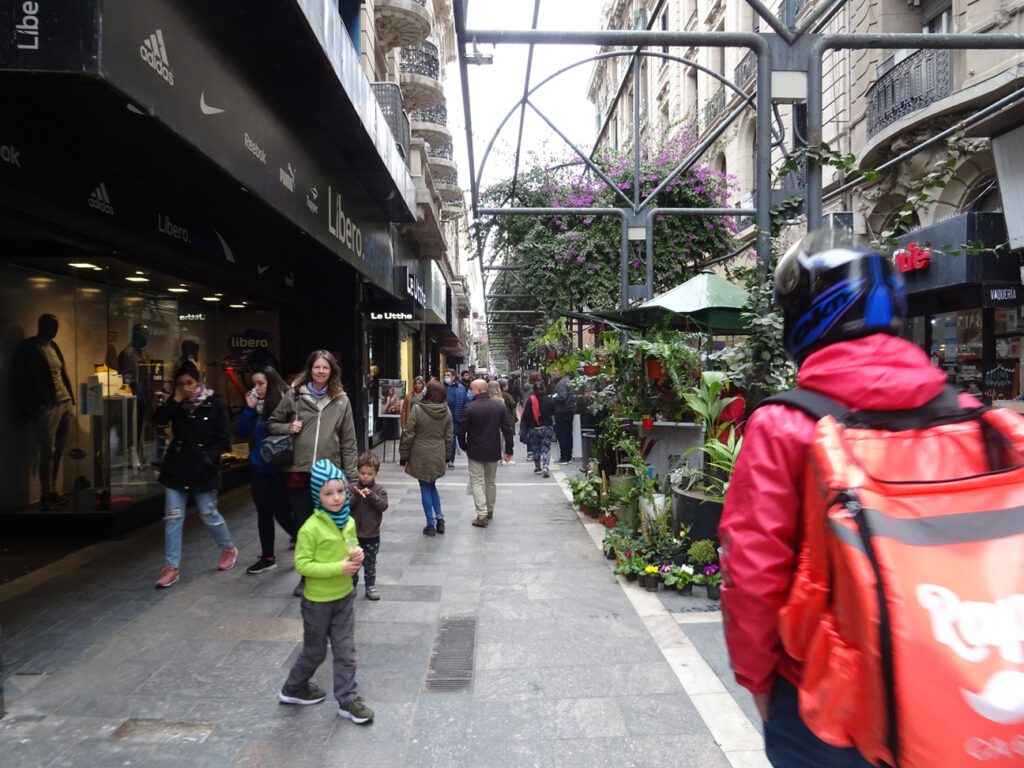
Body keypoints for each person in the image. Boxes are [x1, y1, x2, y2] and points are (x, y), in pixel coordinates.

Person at [720, 230, 942, 768]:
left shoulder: (785, 423)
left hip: (824, 695)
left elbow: (752, 570)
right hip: (943, 678)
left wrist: (757, 678)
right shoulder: (968, 416)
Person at [278, 459, 374, 725]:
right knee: (315, 651)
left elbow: (351, 545)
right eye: (328, 493)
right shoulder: (310, 528)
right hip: (317, 603)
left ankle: (347, 699)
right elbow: (303, 565)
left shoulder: (348, 522)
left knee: (346, 651)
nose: (336, 498)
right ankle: (294, 687)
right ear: (317, 496)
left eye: (340, 491)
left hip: (344, 599)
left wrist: (356, 554)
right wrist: (339, 568)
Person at [267, 350, 358, 597]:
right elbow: (272, 423)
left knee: (332, 525)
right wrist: (288, 426)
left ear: (332, 372)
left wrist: (351, 477)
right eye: (316, 367)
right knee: (304, 526)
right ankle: (306, 576)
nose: (320, 372)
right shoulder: (295, 395)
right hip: (300, 469)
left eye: (325, 368)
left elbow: (349, 440)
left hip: (329, 474)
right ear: (310, 369)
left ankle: (338, 570)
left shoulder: (341, 400)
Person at [151, 360, 238, 588]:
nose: (187, 388)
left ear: (198, 381)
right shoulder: (176, 404)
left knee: (208, 514)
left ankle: (228, 548)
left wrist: (209, 458)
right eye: (181, 384)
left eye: (190, 383)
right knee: (173, 517)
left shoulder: (214, 404)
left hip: (202, 469)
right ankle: (171, 567)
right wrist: (175, 400)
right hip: (177, 468)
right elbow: (157, 420)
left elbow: (223, 438)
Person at [234, 365, 294, 574]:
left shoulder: (285, 404)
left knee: (282, 512)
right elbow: (240, 431)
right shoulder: (255, 407)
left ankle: (303, 538)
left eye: (261, 383)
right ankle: (268, 556)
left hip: (280, 469)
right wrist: (249, 408)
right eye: (254, 384)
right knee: (263, 512)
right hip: (259, 468)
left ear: (271, 383)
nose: (257, 389)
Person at [13, 313, 75, 510]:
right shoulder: (29, 348)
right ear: (42, 326)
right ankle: (46, 493)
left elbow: (61, 373)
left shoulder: (53, 346)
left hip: (64, 400)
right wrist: (29, 407)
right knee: (48, 450)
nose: (54, 330)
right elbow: (21, 381)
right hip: (46, 404)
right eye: (51, 326)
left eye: (56, 326)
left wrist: (71, 398)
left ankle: (53, 490)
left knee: (59, 449)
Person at [400, 379, 453, 537]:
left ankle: (430, 523)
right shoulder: (446, 411)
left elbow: (408, 434)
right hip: (438, 452)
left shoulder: (418, 410)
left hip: (420, 452)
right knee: (432, 485)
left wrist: (404, 456)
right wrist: (447, 456)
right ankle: (440, 517)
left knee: (425, 486)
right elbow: (449, 437)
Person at [458, 378, 514, 528]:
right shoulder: (498, 407)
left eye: (471, 388)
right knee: (490, 481)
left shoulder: (469, 408)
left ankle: (481, 514)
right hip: (493, 449)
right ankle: (489, 509)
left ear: (478, 390)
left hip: (475, 449)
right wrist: (509, 449)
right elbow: (507, 429)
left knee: (477, 482)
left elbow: (461, 431)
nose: (469, 391)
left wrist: (464, 446)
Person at [348, 451, 388, 600]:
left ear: (375, 473)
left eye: (369, 474)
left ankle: (370, 586)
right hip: (352, 534)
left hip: (371, 534)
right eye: (362, 473)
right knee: (352, 561)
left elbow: (383, 506)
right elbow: (347, 507)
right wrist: (356, 496)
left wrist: (372, 495)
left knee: (370, 563)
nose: (365, 476)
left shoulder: (380, 490)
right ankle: (351, 585)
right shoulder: (353, 488)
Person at [118, 322, 152, 471]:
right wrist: (134, 390)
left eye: (147, 334)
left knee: (138, 429)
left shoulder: (142, 354)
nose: (145, 337)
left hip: (143, 397)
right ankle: (129, 458)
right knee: (131, 429)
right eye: (143, 333)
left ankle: (135, 456)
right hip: (132, 398)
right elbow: (127, 377)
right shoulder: (128, 353)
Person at [521, 380, 555, 477]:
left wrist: (525, 429)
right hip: (547, 428)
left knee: (536, 449)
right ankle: (545, 466)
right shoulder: (550, 400)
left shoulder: (530, 401)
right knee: (546, 448)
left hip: (534, 429)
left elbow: (526, 416)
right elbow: (553, 413)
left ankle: (537, 467)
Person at [443, 368, 468, 468]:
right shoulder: (441, 387)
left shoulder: (461, 388)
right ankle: (446, 458)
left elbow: (465, 402)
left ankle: (450, 459)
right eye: (445, 375)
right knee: (446, 439)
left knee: (453, 439)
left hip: (456, 418)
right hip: (443, 418)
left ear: (453, 377)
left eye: (448, 375)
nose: (446, 377)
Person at [550, 366, 575, 464]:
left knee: (562, 434)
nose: (553, 373)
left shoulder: (562, 383)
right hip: (568, 411)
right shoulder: (567, 381)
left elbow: (562, 397)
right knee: (568, 434)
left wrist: (552, 397)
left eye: (555, 370)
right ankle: (567, 456)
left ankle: (565, 457)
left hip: (562, 411)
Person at [497, 378, 519, 465]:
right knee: (508, 439)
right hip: (507, 419)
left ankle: (500, 457)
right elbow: (513, 404)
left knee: (500, 439)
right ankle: (508, 458)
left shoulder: (494, 395)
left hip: (498, 419)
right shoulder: (505, 395)